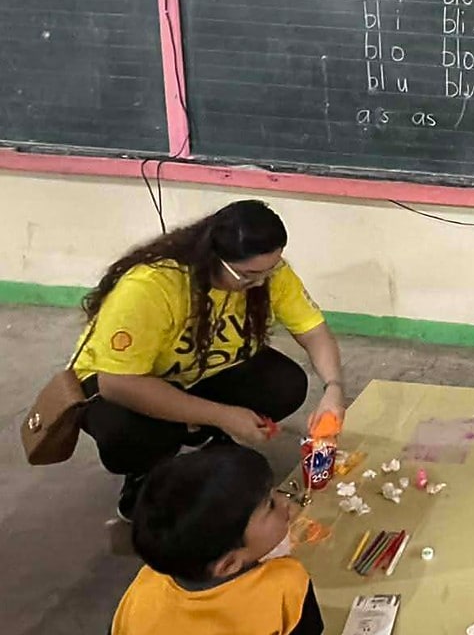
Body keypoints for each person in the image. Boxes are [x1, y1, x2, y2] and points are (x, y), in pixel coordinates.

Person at [77, 200, 345, 520]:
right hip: (124, 385)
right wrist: (223, 415)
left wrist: (334, 387)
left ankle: (208, 440)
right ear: (214, 259)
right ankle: (146, 476)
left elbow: (313, 331)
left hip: (200, 371)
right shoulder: (151, 286)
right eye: (248, 276)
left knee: (284, 383)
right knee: (128, 433)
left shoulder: (268, 273)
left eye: (269, 270)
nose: (260, 282)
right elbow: (117, 383)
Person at [111, 444, 324, 635]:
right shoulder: (286, 585)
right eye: (269, 505)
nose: (284, 502)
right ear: (229, 564)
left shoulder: (143, 589)